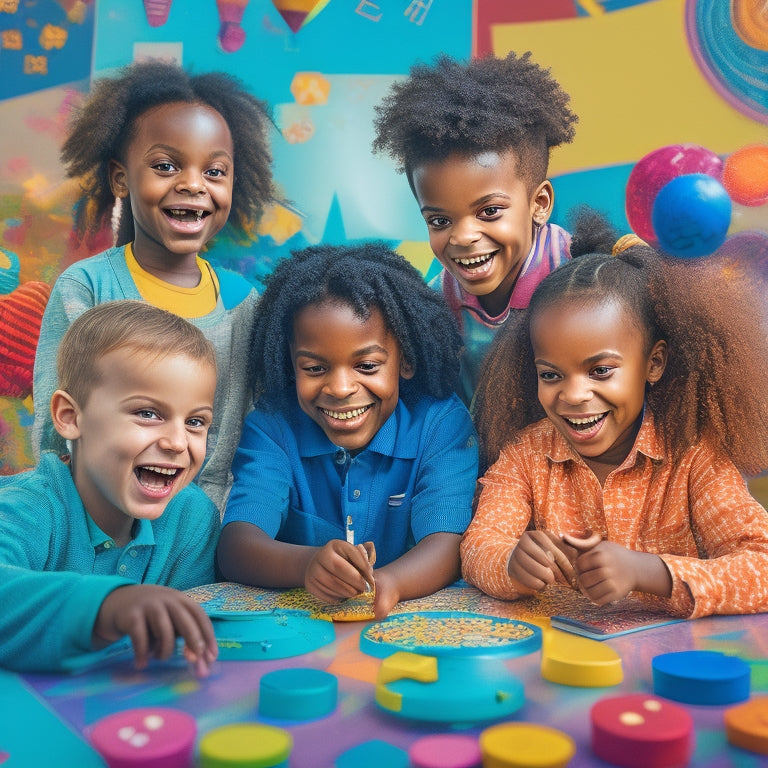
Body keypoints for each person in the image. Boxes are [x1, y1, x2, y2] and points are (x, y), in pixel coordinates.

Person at [461, 209, 768, 618]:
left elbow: (762, 567)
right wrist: (511, 565)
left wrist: (649, 572)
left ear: (653, 364)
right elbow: (478, 547)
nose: (573, 395)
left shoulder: (694, 453)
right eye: (550, 374)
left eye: (600, 371)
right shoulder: (524, 456)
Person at [33, 60, 274, 513]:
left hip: (206, 528)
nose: (193, 184)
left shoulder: (243, 304)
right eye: (166, 166)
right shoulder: (87, 286)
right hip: (98, 519)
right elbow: (54, 433)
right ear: (121, 178)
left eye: (215, 171)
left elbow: (249, 439)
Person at [217, 242, 479, 619]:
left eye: (367, 366)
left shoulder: (440, 423)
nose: (340, 389)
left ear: (404, 361)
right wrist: (307, 565)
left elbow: (448, 544)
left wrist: (392, 583)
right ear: (290, 365)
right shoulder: (272, 427)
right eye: (314, 368)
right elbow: (236, 546)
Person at [1, 301, 220, 672]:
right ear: (70, 418)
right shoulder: (27, 507)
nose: (177, 443)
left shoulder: (192, 518)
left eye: (196, 421)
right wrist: (109, 605)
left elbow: (190, 646)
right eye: (148, 414)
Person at [372, 51, 577, 404]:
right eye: (439, 221)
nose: (463, 237)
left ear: (539, 204)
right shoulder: (437, 303)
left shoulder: (580, 275)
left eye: (490, 211)